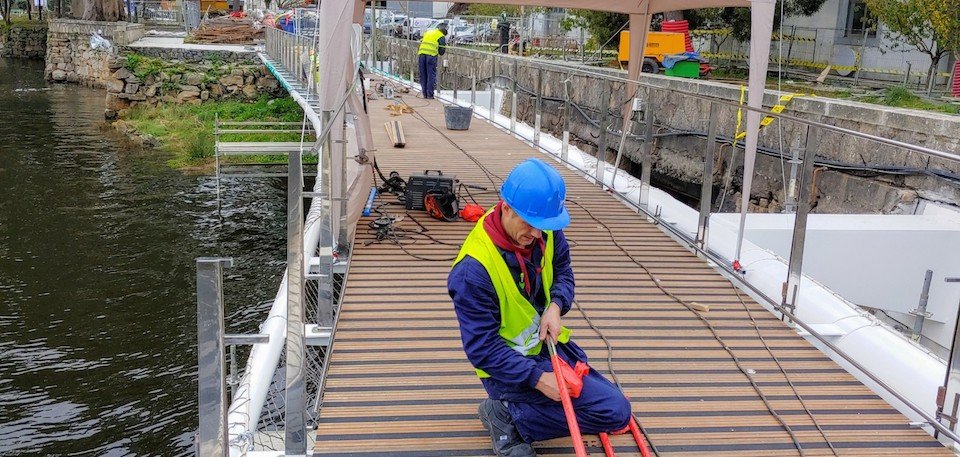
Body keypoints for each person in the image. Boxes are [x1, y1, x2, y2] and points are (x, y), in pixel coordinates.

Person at [448, 159, 632, 457]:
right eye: (529, 224)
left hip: (544, 346)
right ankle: (506, 415)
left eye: (543, 226)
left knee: (616, 411)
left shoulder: (545, 227)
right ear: (505, 207)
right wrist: (537, 379)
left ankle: (517, 413)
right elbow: (481, 348)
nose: (537, 234)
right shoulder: (473, 272)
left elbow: (563, 271)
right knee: (612, 411)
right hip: (506, 369)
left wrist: (556, 306)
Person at [417, 22, 447, 99]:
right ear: (444, 33)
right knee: (431, 75)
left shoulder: (428, 32)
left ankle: (424, 93)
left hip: (421, 54)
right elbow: (442, 51)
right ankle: (430, 94)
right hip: (431, 56)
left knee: (423, 74)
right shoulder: (441, 36)